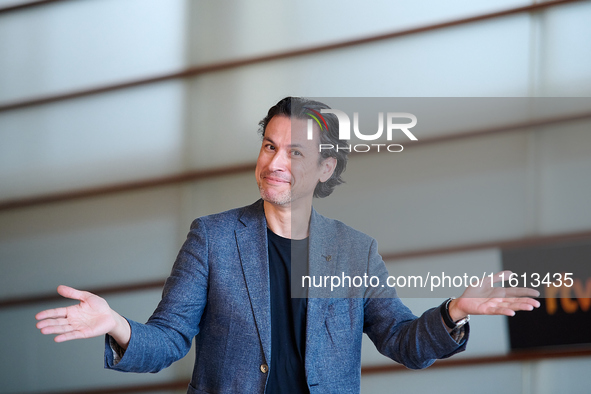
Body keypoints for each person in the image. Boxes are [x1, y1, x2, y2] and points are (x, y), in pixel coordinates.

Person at [36, 97, 540, 394]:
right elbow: (168, 340)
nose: (275, 162)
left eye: (295, 152)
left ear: (325, 169)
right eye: (270, 146)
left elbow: (401, 341)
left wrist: (453, 311)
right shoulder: (211, 238)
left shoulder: (354, 251)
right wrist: (116, 326)